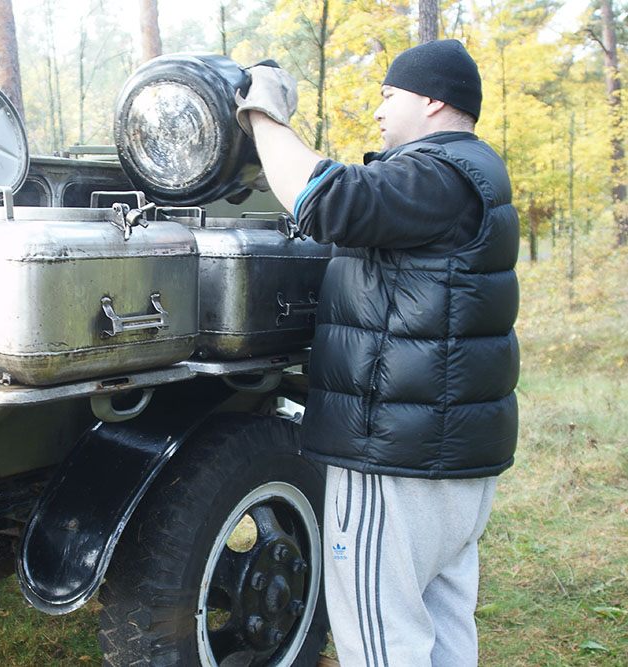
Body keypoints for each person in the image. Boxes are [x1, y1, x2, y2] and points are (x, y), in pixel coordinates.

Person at [235, 39, 520, 667]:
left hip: (393, 458)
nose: (379, 110)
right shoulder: (475, 172)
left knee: (381, 639)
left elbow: (326, 200)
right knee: (441, 625)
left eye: (390, 95)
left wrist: (262, 115)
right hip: (450, 459)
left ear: (434, 99)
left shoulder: (436, 173)